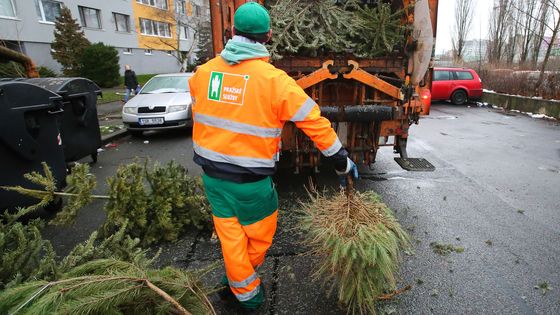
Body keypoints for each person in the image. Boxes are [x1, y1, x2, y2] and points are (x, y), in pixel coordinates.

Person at [188, 2, 358, 311]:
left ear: (232, 32)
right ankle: (246, 292)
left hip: (212, 179)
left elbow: (207, 105)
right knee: (258, 239)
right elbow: (313, 122)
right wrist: (340, 158)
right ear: (268, 36)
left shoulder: (203, 73)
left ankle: (236, 284)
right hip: (250, 183)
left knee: (231, 236)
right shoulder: (275, 82)